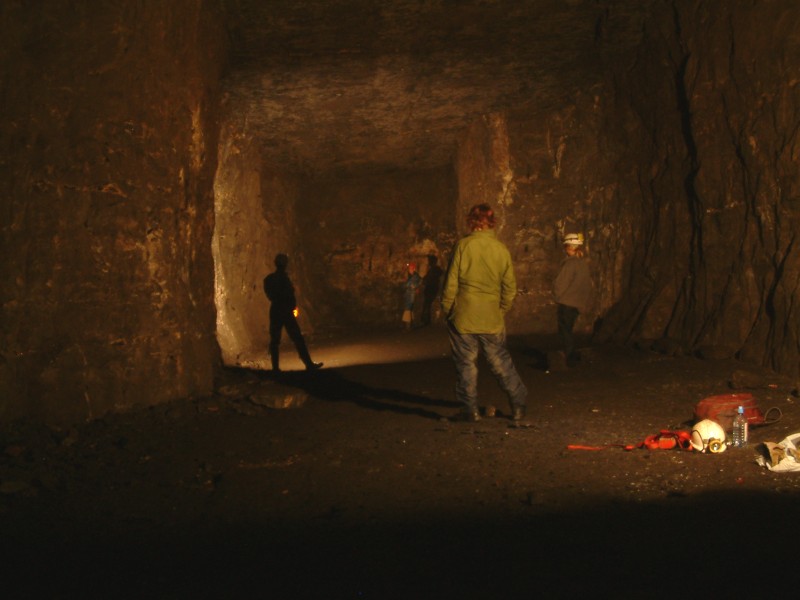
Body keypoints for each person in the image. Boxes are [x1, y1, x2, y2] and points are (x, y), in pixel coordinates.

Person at [440, 203, 528, 423]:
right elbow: (509, 288)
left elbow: (451, 284)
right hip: (491, 316)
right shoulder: (501, 249)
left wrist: (448, 310)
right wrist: (500, 310)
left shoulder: (463, 246)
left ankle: (470, 410)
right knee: (500, 362)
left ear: (472, 221)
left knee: (466, 364)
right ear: (492, 222)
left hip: (464, 316)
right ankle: (518, 405)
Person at [263, 253, 323, 372]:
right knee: (297, 338)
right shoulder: (283, 279)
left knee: (275, 340)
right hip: (285, 311)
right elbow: (289, 295)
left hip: (276, 310)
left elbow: (270, 294)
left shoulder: (269, 279)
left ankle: (275, 368)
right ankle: (308, 364)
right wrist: (291, 306)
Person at [553, 232, 592, 367]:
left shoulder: (570, 264)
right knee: (569, 330)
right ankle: (571, 355)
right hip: (576, 304)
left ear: (569, 247)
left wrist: (558, 297)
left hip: (567, 303)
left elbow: (560, 284)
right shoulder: (582, 264)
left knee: (565, 332)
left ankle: (569, 357)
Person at [420, 254, 444, 326]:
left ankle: (425, 320)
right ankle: (426, 320)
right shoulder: (434, 270)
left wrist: (425, 280)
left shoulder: (434, 270)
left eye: (429, 260)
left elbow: (428, 279)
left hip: (431, 288)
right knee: (427, 304)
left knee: (427, 304)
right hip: (431, 288)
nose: (428, 262)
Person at [401, 261, 421, 330]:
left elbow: (408, 284)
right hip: (408, 293)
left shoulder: (415, 277)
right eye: (409, 268)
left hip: (411, 294)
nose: (409, 270)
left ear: (414, 269)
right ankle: (410, 324)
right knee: (409, 308)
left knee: (408, 308)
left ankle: (408, 326)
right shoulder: (410, 276)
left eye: (411, 268)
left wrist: (407, 284)